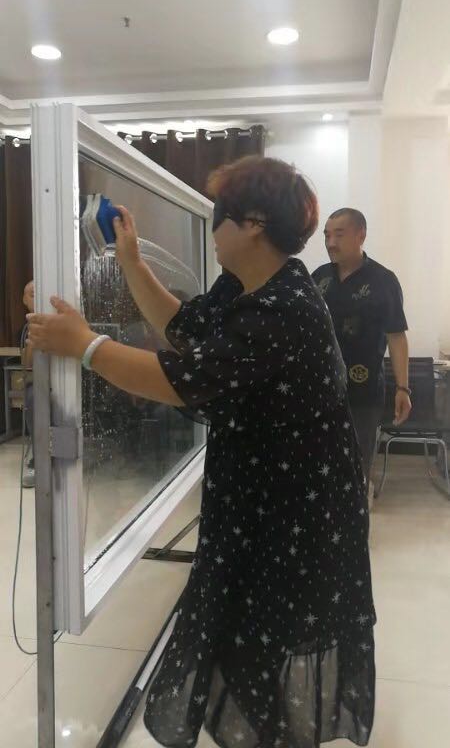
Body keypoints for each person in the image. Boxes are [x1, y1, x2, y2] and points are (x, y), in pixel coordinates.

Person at [28, 157, 376, 748]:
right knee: (244, 637)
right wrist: (131, 261)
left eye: (220, 216)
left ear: (254, 223)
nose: (212, 228)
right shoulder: (247, 288)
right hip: (258, 502)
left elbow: (181, 379)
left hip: (294, 516)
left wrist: (85, 345)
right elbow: (186, 329)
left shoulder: (284, 307)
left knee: (264, 641)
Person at [312, 208, 411, 492]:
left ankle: (355, 515)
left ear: (361, 235)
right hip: (318, 388)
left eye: (339, 235)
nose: (331, 242)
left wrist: (403, 388)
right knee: (318, 462)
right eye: (327, 235)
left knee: (356, 463)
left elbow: (397, 336)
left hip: (362, 390)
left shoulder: (383, 280)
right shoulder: (319, 277)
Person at [21, 280, 35, 488]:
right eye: (32, 294)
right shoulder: (25, 330)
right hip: (39, 385)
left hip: (67, 380)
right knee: (33, 398)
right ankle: (40, 461)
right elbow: (28, 365)